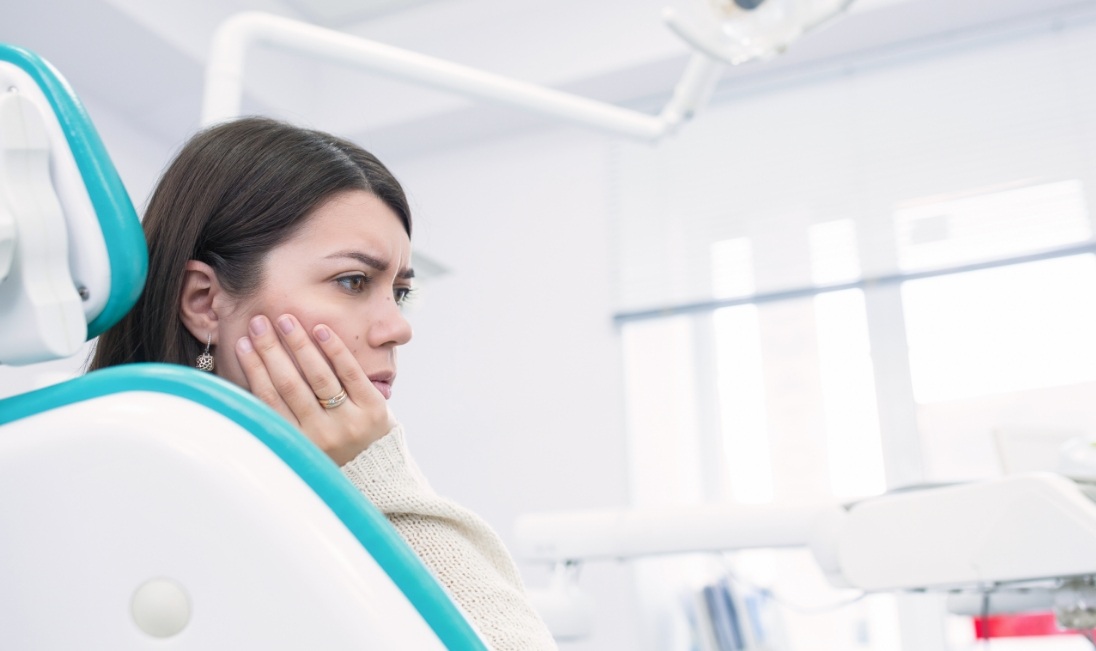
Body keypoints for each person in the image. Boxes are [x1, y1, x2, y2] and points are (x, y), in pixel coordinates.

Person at [89, 117, 557, 650]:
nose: (398, 328)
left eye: (398, 293)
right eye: (353, 281)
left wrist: (369, 467)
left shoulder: (310, 500)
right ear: (204, 302)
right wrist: (370, 466)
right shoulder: (103, 501)